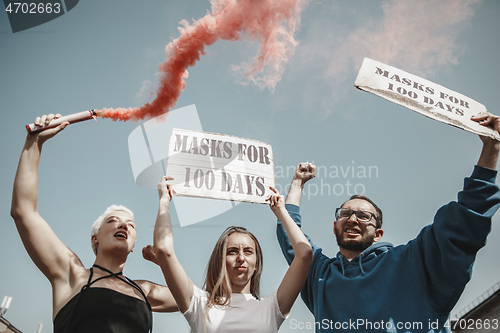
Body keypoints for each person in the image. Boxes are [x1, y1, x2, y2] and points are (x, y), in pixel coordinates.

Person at [276, 112, 500, 332]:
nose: (353, 219)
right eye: (345, 213)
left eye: (364, 216)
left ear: (378, 234)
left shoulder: (413, 262)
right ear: (335, 226)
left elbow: (462, 223)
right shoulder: (320, 276)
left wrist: (491, 148)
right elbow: (290, 235)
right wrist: (298, 183)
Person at [10, 114, 178, 333]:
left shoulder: (144, 291)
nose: (123, 226)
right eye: (113, 221)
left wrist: (166, 263)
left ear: (134, 244)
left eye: (131, 224)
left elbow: (203, 300)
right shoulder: (72, 274)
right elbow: (24, 212)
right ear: (94, 237)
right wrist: (34, 143)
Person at [142, 176, 313, 333]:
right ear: (220, 261)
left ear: (257, 264)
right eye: (232, 251)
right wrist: (164, 200)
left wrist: (281, 211)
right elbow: (164, 250)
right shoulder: (199, 304)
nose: (241, 258)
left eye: (248, 251)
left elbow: (304, 253)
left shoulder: (273, 307)